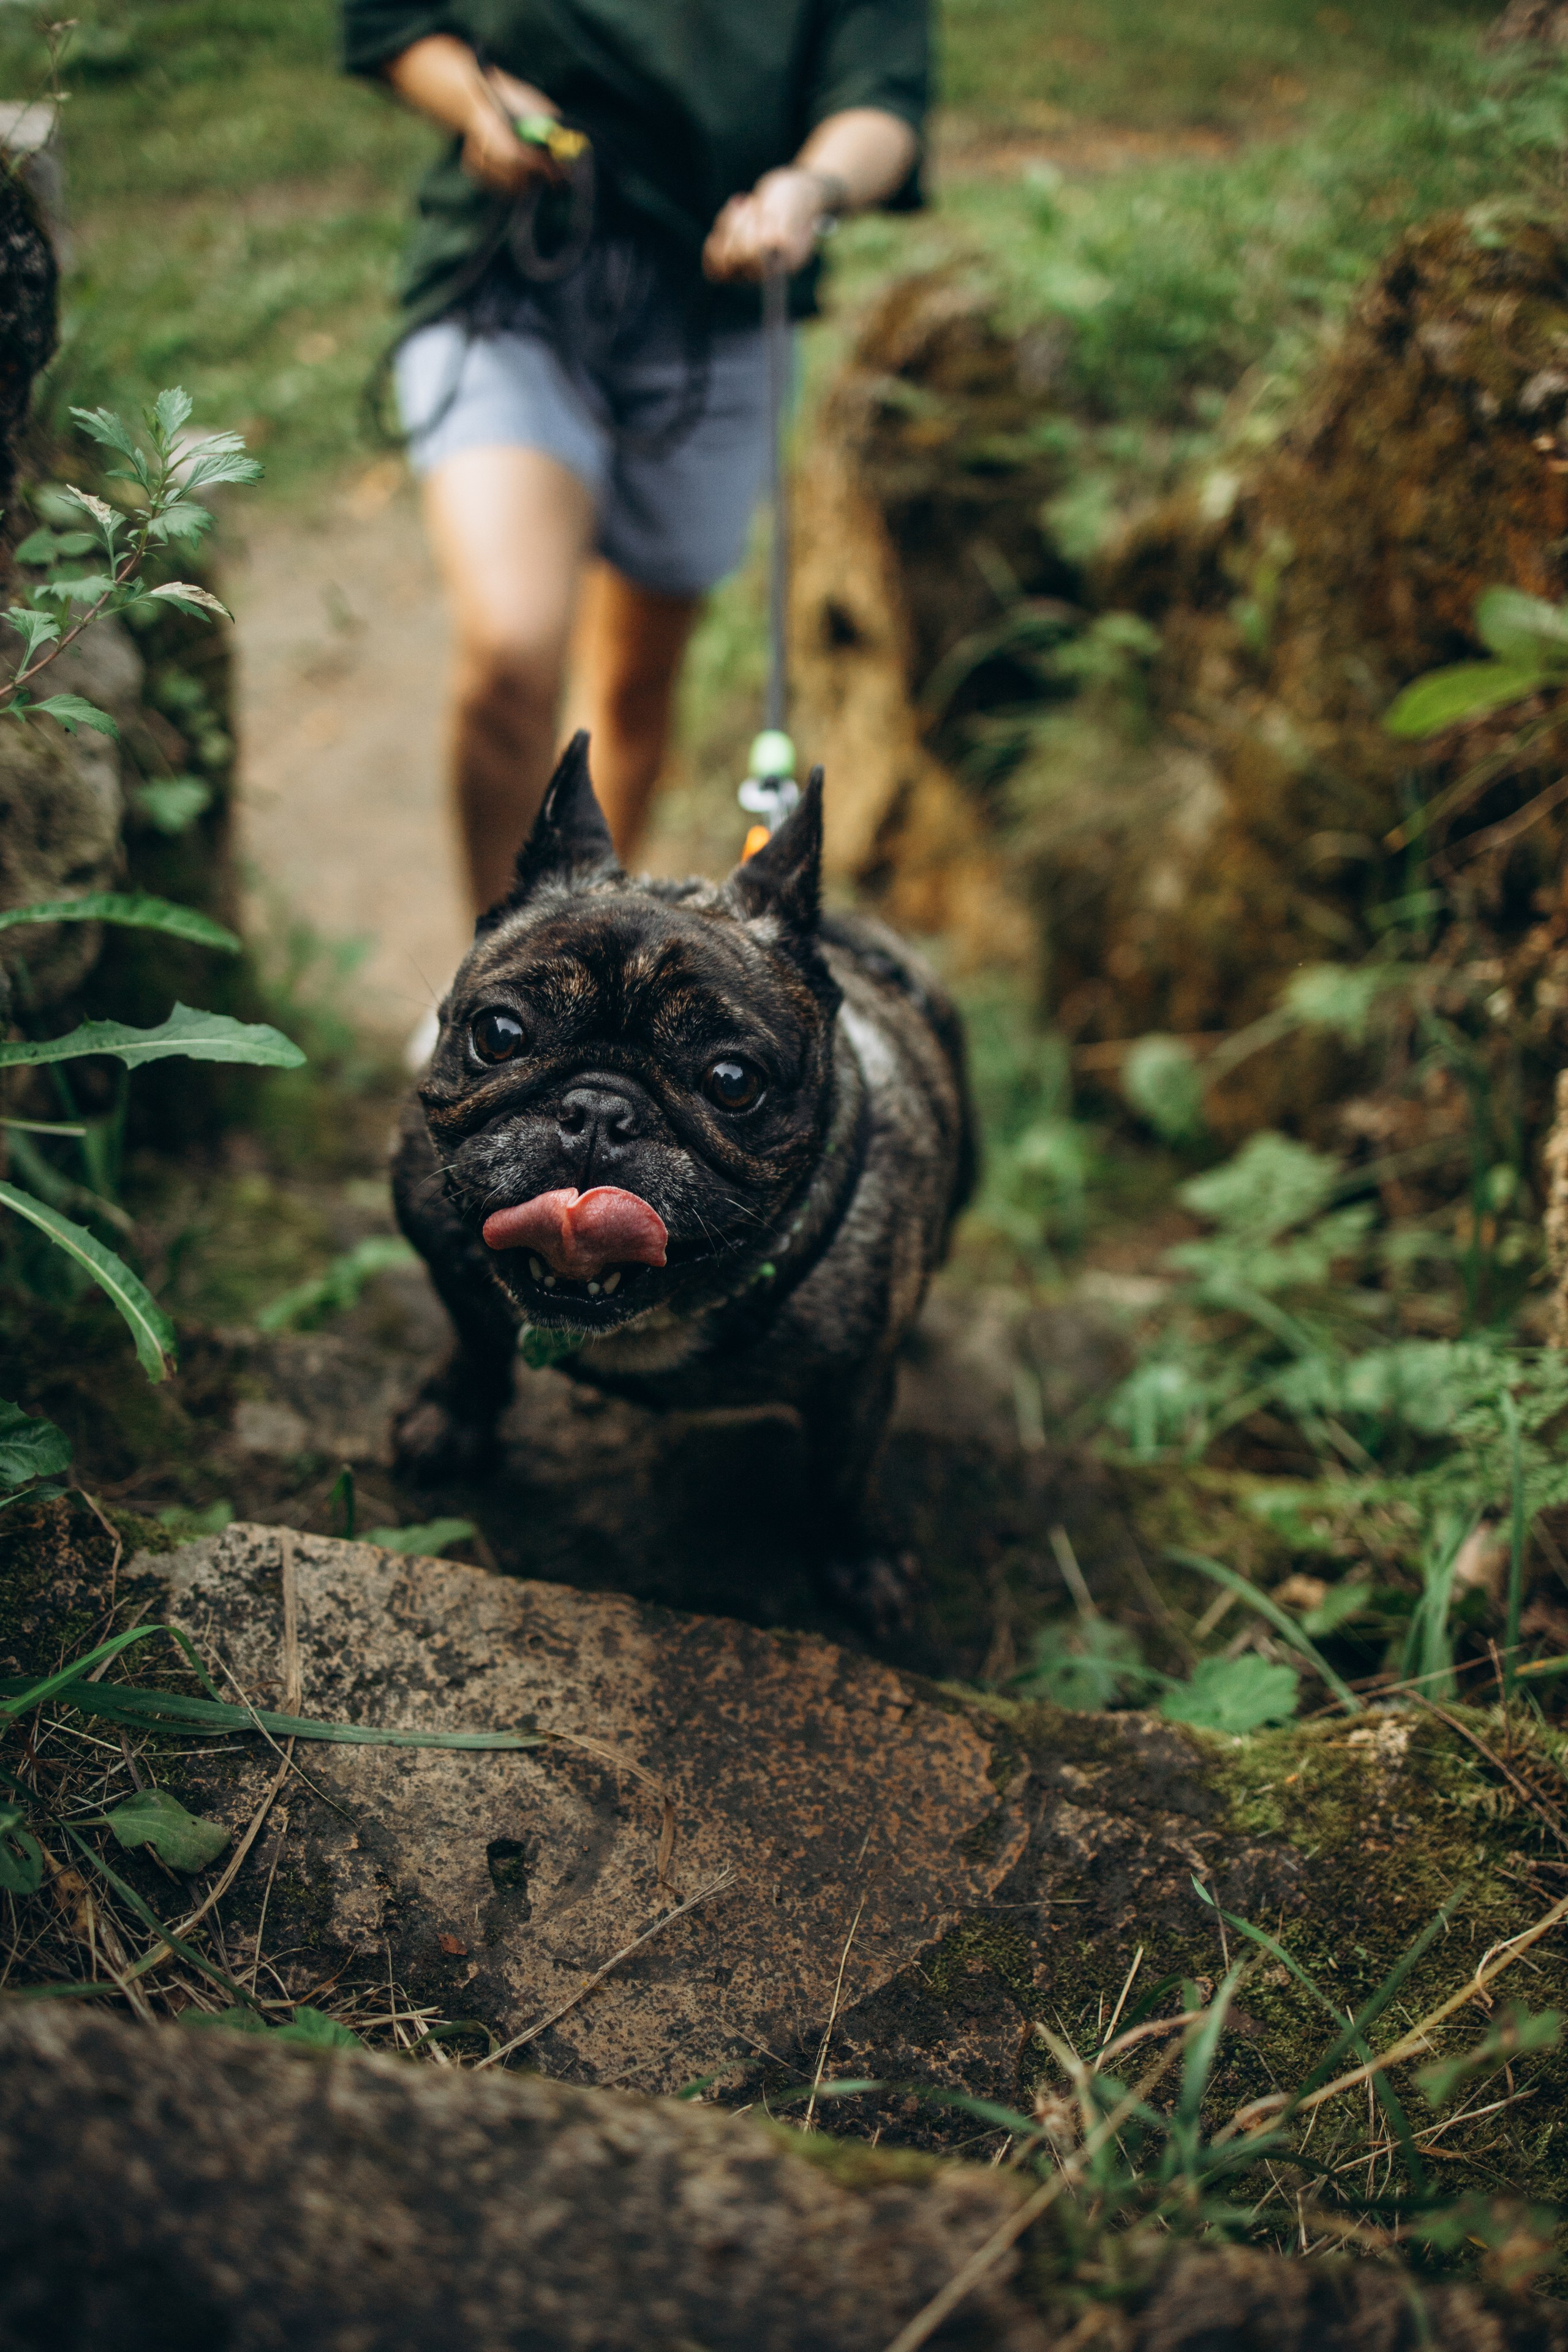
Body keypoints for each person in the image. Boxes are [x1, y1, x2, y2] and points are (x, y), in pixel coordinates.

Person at [341, 0, 929, 920]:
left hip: (719, 308)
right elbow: (393, 21)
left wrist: (807, 189)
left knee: (631, 687)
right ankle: (496, 970)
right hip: (511, 276)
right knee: (510, 652)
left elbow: (884, 101)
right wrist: (480, 104)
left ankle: (584, 941)